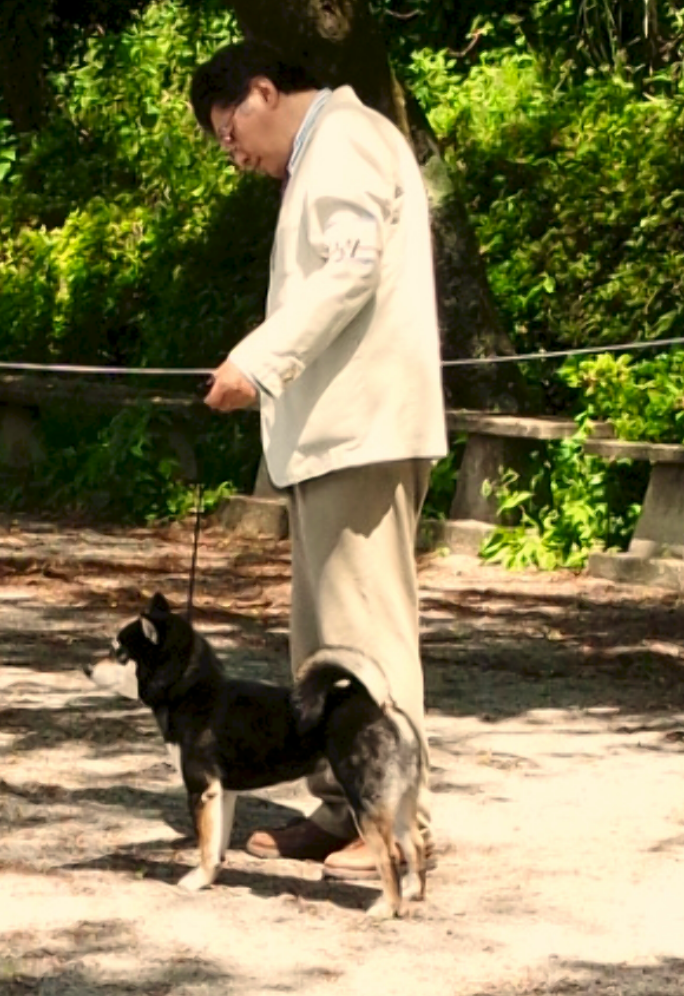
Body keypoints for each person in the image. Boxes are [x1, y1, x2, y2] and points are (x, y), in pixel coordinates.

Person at [190, 41, 447, 881]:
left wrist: (258, 361)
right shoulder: (327, 149)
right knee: (328, 647)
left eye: (230, 133)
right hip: (333, 435)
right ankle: (345, 805)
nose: (234, 155)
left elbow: (350, 271)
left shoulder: (343, 139)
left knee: (367, 638)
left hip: (362, 431)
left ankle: (394, 822)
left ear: (263, 91)